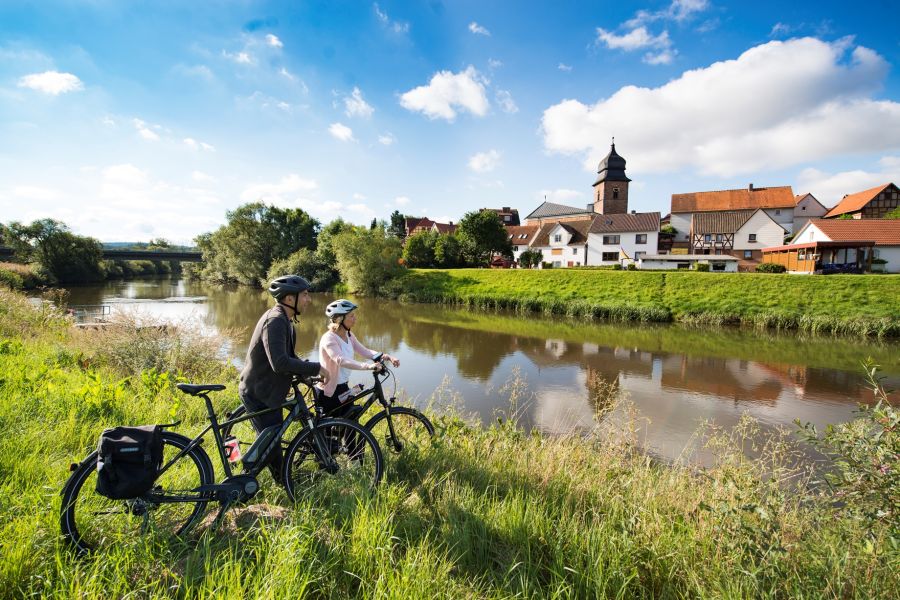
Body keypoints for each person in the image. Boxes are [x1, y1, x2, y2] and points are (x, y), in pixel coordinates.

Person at [238, 274, 329, 483]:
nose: (309, 300)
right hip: (259, 391)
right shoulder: (276, 321)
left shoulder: (286, 320)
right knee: (272, 445)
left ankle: (282, 479)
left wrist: (307, 371)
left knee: (272, 440)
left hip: (267, 389)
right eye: (304, 295)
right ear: (290, 299)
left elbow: (288, 357)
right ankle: (277, 484)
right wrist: (316, 368)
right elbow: (279, 363)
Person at [317, 299, 400, 418]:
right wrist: (368, 366)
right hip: (329, 392)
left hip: (343, 388)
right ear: (340, 319)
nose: (355, 318)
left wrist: (386, 356)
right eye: (351, 316)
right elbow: (341, 360)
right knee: (329, 431)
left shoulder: (349, 335)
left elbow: (364, 351)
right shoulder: (329, 338)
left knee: (351, 427)